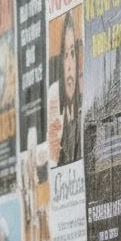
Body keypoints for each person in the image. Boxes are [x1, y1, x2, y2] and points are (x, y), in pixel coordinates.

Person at [49, 9, 81, 167]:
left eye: (73, 53)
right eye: (66, 55)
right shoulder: (55, 99)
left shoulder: (83, 105)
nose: (69, 65)